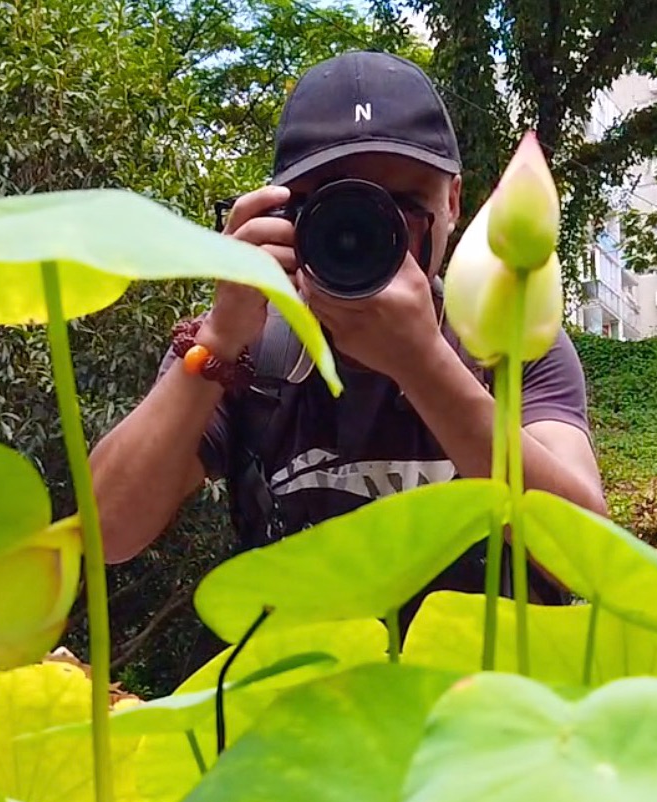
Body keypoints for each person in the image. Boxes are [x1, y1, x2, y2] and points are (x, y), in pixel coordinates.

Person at [90, 50, 605, 607]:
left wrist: (424, 365)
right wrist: (218, 340)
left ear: (452, 202)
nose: (362, 236)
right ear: (283, 218)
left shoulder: (505, 335)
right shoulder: (242, 348)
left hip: (488, 690)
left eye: (397, 207)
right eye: (334, 208)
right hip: (304, 686)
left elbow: (589, 559)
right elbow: (108, 535)